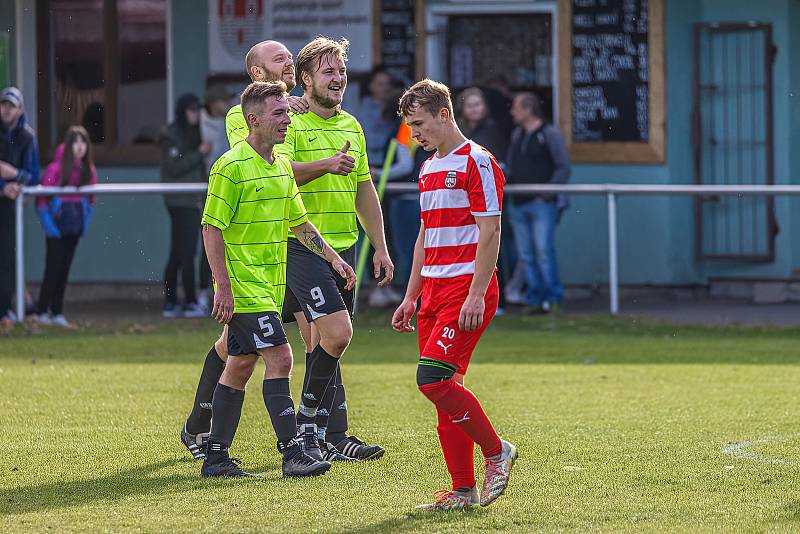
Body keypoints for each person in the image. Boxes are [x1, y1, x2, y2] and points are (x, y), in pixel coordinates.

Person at [182, 39, 389, 464]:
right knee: (302, 345)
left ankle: (211, 436)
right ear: (258, 75)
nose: (288, 63)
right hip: (271, 256)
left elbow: (338, 191)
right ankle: (297, 443)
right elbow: (268, 168)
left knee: (247, 349)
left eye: (290, 59)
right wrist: (324, 160)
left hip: (304, 253)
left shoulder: (320, 118)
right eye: (278, 59)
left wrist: (363, 250)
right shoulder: (253, 122)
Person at [200, 80, 355, 478]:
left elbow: (300, 224)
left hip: (270, 285)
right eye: (279, 113)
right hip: (244, 286)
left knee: (239, 365)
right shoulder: (231, 167)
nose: (288, 119)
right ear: (253, 120)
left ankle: (215, 456)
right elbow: (211, 229)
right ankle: (293, 452)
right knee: (281, 357)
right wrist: (223, 285)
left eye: (288, 111)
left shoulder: (282, 166)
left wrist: (335, 260)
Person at [392, 79, 517, 511]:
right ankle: (463, 491)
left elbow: (491, 230)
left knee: (433, 380)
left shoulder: (477, 161)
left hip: (466, 288)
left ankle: (497, 452)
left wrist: (476, 294)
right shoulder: (427, 168)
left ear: (445, 114)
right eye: (410, 126)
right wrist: (410, 296)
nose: (415, 134)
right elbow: (426, 235)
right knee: (446, 388)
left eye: (420, 124)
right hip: (433, 291)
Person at [507, 92, 571, 313]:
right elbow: (513, 167)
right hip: (519, 201)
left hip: (541, 203)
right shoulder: (517, 135)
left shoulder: (549, 133)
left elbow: (563, 167)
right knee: (526, 254)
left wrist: (547, 193)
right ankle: (534, 298)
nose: (512, 112)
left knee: (543, 251)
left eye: (516, 108)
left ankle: (552, 297)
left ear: (528, 109)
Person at [33, 126, 97, 327]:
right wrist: (50, 227)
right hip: (56, 229)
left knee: (64, 269)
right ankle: (42, 311)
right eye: (76, 142)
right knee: (53, 268)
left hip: (74, 229)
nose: (80, 147)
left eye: (83, 142)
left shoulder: (89, 171)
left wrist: (84, 224)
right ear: (68, 145)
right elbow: (41, 201)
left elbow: (90, 201)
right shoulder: (55, 169)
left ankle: (57, 312)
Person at [456, 87, 512, 314]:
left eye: (478, 104)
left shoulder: (491, 132)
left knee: (494, 244)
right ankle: (472, 297)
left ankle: (498, 299)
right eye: (470, 105)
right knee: (473, 248)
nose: (474, 109)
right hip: (468, 201)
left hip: (487, 198)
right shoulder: (462, 132)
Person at [158, 93, 210, 318]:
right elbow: (174, 167)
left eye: (198, 110)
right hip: (179, 200)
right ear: (182, 111)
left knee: (182, 252)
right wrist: (198, 154)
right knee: (184, 252)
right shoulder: (171, 134)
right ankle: (183, 301)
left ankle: (177, 301)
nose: (196, 114)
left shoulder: (196, 132)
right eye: (191, 110)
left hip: (193, 198)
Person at [0, 87, 40, 329]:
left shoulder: (27, 137)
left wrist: (13, 176)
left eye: (11, 105)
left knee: (8, 258)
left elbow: (33, 176)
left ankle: (4, 311)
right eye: (4, 104)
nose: (6, 109)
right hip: (5, 194)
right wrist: (3, 186)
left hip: (10, 208)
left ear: (20, 109)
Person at [198, 85, 234, 310]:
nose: (228, 106)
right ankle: (204, 292)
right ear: (213, 103)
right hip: (206, 190)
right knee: (209, 241)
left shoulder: (229, 123)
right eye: (224, 101)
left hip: (226, 187)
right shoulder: (197, 124)